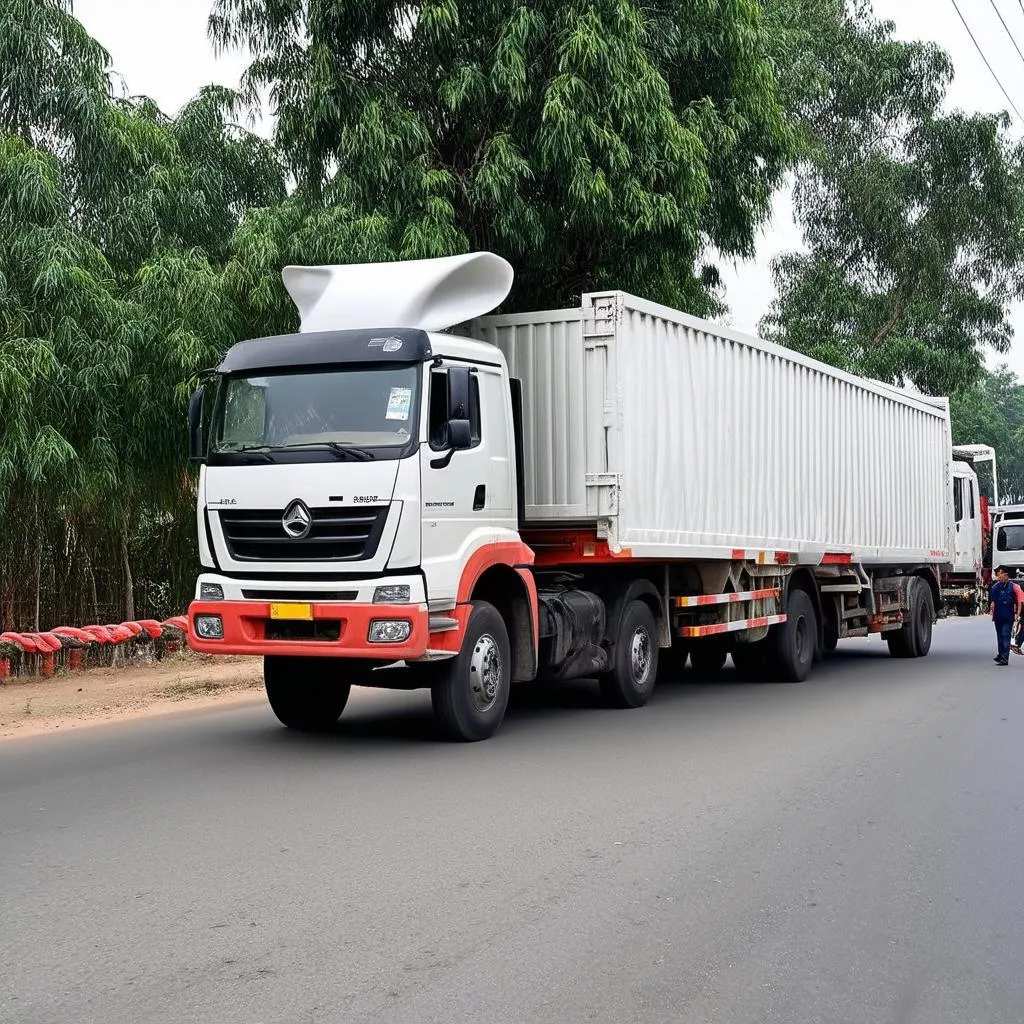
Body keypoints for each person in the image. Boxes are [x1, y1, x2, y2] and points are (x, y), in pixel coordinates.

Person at [989, 566, 1021, 665]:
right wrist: (991, 606)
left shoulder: (1013, 587)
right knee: (999, 636)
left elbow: (1019, 602)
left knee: (1005, 635)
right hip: (998, 616)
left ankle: (1005, 657)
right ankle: (1001, 654)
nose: (999, 577)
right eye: (998, 575)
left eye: (1001, 574)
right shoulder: (995, 587)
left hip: (1008, 616)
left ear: (1006, 575)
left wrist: (1018, 614)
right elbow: (992, 601)